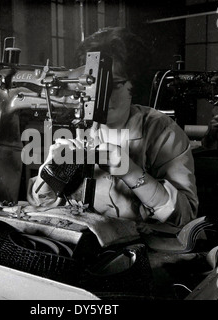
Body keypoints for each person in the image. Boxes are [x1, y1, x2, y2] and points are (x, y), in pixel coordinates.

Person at [26, 27, 198, 245]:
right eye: (92, 86)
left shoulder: (163, 132)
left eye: (113, 85)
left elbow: (185, 218)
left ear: (133, 84)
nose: (100, 97)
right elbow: (40, 202)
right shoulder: (76, 124)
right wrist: (50, 174)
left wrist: (131, 171)